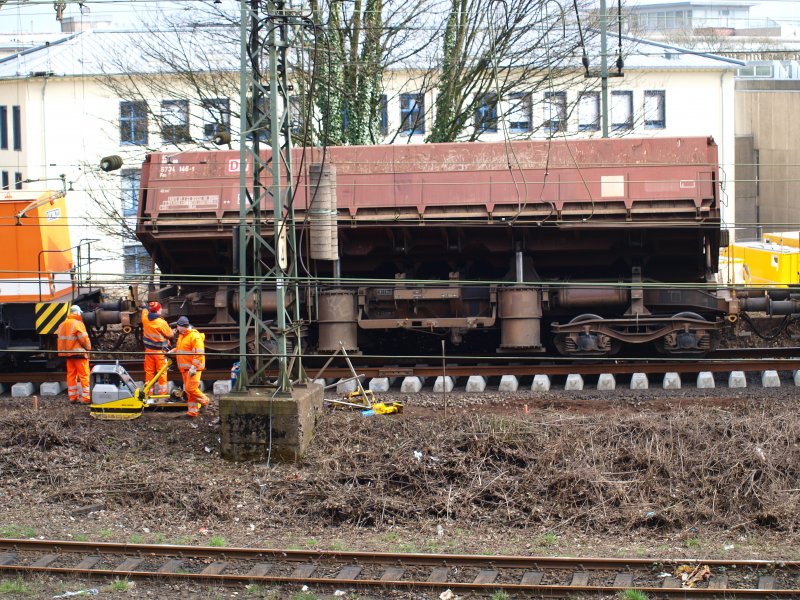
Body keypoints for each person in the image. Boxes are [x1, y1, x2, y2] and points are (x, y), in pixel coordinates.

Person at [172, 316, 208, 417]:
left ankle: (205, 401)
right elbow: (181, 348)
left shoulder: (194, 337)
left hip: (193, 369)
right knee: (189, 391)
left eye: (178, 326)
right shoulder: (183, 335)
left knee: (190, 389)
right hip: (185, 369)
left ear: (183, 326)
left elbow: (199, 354)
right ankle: (192, 412)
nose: (177, 328)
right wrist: (172, 351)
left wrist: (193, 367)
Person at [57, 305, 92, 404]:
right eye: (80, 312)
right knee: (84, 376)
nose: (81, 314)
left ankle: (73, 397)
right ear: (77, 313)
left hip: (68, 355)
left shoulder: (62, 324)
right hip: (79, 354)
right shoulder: (78, 324)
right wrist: (89, 348)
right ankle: (87, 398)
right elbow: (84, 339)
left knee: (71, 376)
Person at [142, 301, 174, 395]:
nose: (161, 309)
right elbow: (170, 335)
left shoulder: (145, 318)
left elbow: (144, 310)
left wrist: (144, 306)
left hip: (148, 351)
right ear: (158, 310)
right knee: (161, 373)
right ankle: (162, 394)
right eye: (160, 308)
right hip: (160, 352)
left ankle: (148, 393)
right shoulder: (161, 322)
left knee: (149, 372)